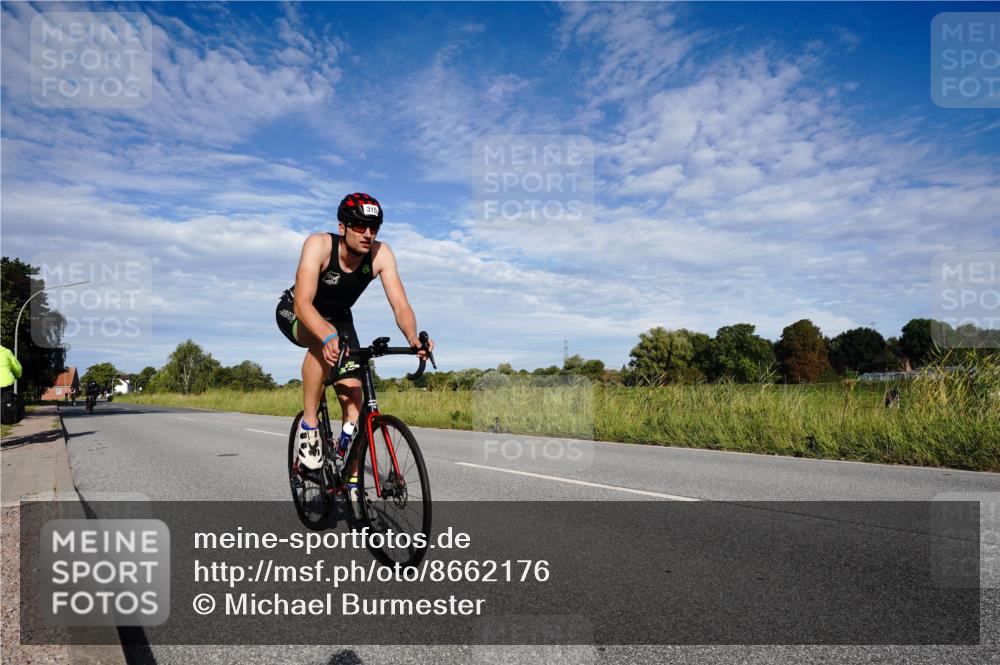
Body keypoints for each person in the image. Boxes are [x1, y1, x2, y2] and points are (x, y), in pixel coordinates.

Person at [276, 193, 433, 478]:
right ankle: (309, 427)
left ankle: (350, 477)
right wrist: (324, 334)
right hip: (296, 311)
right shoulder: (319, 245)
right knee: (322, 341)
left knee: (355, 401)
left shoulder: (381, 254)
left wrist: (413, 337)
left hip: (339, 319)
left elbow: (401, 304)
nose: (368, 234)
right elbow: (302, 302)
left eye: (374, 228)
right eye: (359, 226)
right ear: (342, 227)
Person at [1, 345, 22, 424]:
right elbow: (18, 369)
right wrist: (17, 375)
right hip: (4, 385)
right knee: (6, 403)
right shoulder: (6, 352)